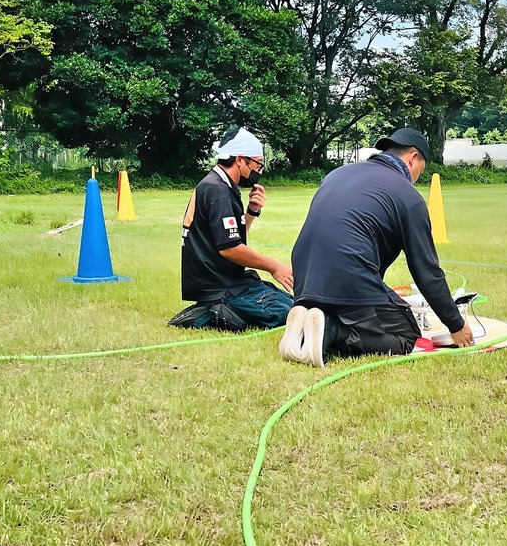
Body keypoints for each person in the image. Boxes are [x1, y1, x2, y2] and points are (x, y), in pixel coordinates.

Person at [280, 127, 473, 366]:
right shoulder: (408, 196)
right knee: (405, 335)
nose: (418, 176)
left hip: (304, 280)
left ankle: (310, 323)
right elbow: (426, 271)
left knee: (361, 305)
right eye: (422, 168)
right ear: (413, 157)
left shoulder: (336, 174)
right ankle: (331, 332)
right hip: (348, 276)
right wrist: (456, 324)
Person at [169, 126, 294, 331]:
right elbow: (230, 248)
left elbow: (232, 237)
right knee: (284, 312)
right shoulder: (218, 191)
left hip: (227, 280)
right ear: (240, 159)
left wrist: (252, 211)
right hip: (218, 286)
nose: (259, 171)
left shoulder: (220, 185)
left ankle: (220, 308)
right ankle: (210, 312)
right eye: (257, 164)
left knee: (287, 301)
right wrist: (274, 266)